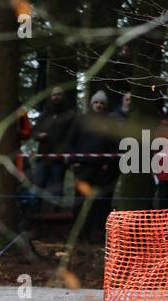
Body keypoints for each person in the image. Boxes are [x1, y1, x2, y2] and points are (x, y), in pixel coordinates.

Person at [67, 90, 118, 240]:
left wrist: (108, 163)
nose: (99, 105)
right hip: (82, 168)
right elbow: (70, 141)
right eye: (96, 102)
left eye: (102, 103)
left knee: (99, 201)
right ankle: (78, 233)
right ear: (92, 104)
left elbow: (114, 145)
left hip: (101, 169)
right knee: (80, 200)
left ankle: (97, 233)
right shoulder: (81, 121)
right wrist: (74, 161)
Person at [29, 85, 78, 213]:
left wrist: (68, 154)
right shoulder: (44, 115)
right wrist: (38, 135)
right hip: (43, 156)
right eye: (54, 95)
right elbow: (33, 131)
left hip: (59, 159)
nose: (57, 97)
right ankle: (33, 212)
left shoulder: (69, 115)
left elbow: (73, 136)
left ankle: (55, 214)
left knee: (57, 187)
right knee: (38, 184)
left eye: (59, 94)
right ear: (51, 97)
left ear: (63, 96)